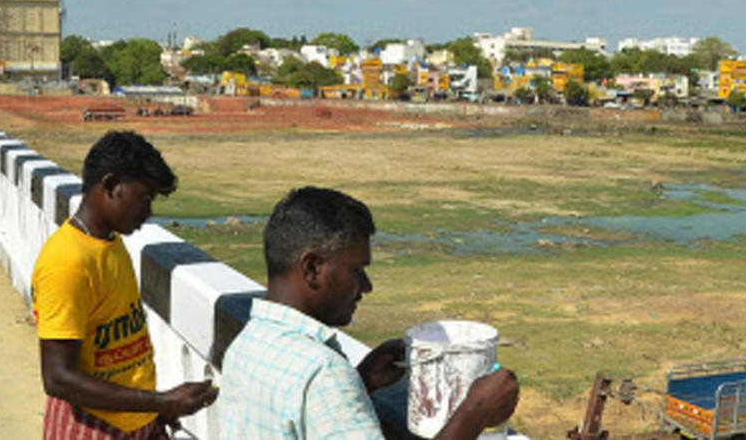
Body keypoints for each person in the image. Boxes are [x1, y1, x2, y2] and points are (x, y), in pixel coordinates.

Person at [219, 187, 520, 439]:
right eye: (356, 270)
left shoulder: (248, 344)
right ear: (312, 268)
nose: (367, 286)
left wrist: (361, 382)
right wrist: (475, 412)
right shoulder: (323, 374)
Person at [32, 131, 217, 439]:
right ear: (110, 185)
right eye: (143, 198)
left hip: (136, 421)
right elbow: (57, 378)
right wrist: (162, 401)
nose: (148, 211)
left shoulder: (109, 242)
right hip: (91, 427)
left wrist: (156, 410)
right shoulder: (67, 261)